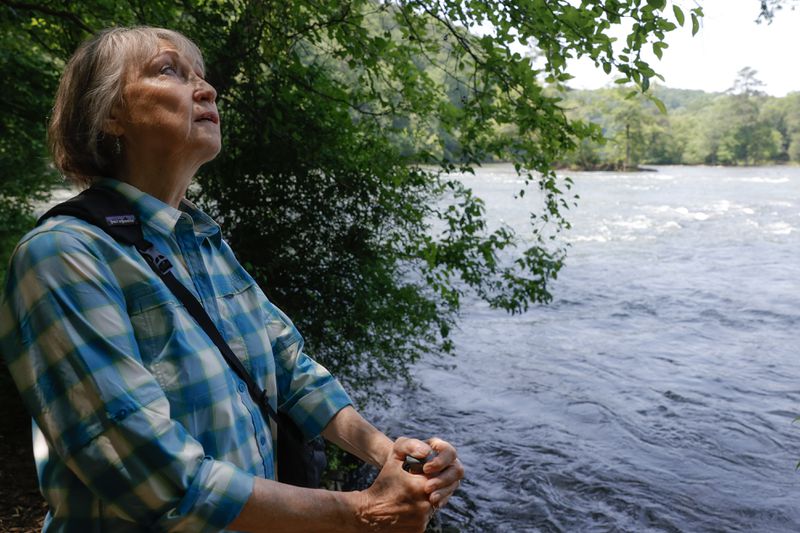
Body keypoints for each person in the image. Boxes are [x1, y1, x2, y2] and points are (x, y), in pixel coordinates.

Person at [0, 26, 463, 532]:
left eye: (202, 75)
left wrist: (386, 451)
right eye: (169, 70)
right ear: (109, 113)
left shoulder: (200, 239)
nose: (206, 89)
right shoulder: (64, 254)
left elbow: (289, 369)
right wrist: (363, 512)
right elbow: (152, 475)